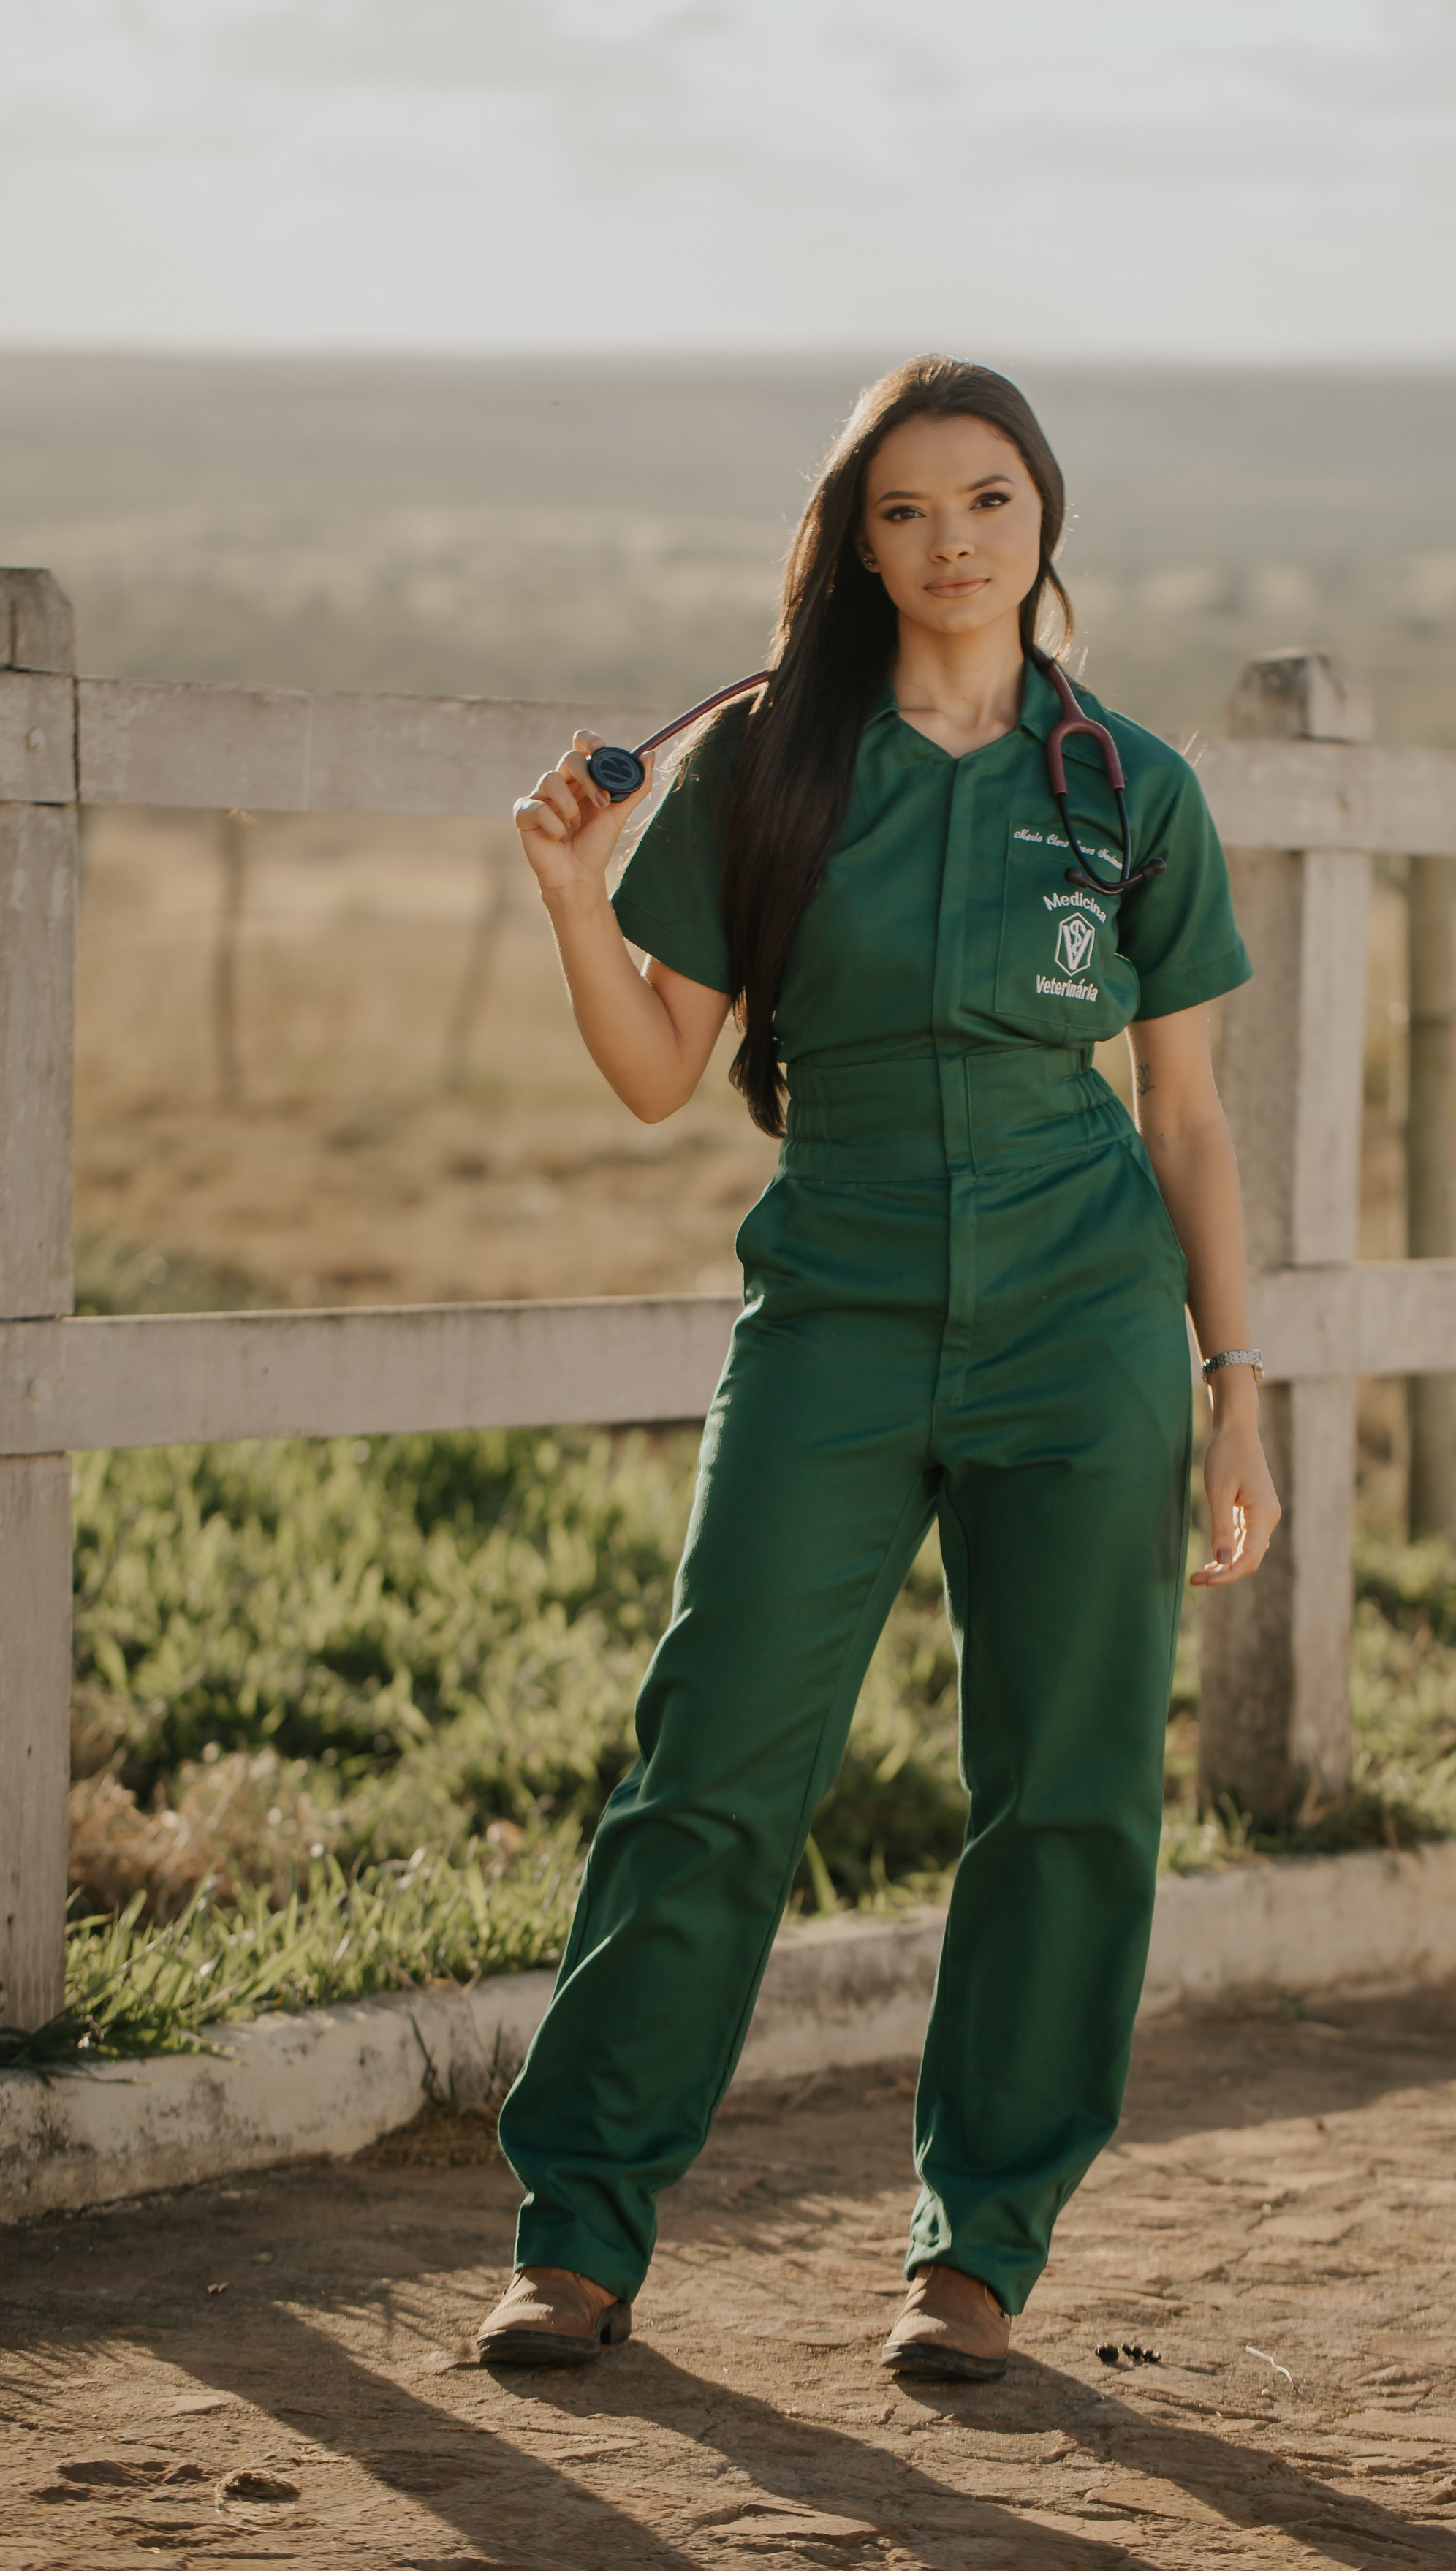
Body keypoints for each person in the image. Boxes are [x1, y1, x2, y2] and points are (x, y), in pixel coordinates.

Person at [476, 356, 1280, 2382]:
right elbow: (664, 1068)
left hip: (1083, 1329)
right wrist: (576, 899)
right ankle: (578, 2232)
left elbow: (1187, 1117)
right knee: (713, 1764)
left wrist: (1236, 1385)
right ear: (857, 538)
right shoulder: (767, 765)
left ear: (1045, 522)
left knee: (1069, 1796)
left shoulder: (1128, 785)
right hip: (831, 1308)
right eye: (908, 510)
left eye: (990, 502)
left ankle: (978, 2252)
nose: (950, 544)